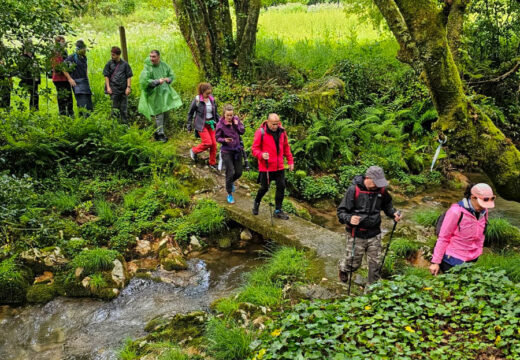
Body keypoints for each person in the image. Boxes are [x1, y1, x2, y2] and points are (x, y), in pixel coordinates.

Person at [337, 166, 401, 285]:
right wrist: (349, 218)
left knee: (375, 264)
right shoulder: (353, 190)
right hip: (356, 234)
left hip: (374, 234)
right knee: (353, 263)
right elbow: (341, 212)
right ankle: (343, 269)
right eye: (376, 183)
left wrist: (393, 213)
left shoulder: (381, 191)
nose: (378, 186)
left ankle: (372, 290)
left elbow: (387, 205)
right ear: (368, 178)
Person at [429, 183, 494, 276]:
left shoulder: (484, 211)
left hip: (472, 257)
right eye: (481, 204)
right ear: (473, 197)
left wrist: (478, 251)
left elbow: (481, 233)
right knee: (452, 288)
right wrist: (435, 262)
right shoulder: (456, 211)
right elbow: (443, 237)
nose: (483, 207)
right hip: (452, 259)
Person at [251, 113, 294, 220]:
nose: (275, 126)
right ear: (268, 122)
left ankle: (278, 210)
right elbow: (254, 149)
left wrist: (290, 161)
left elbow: (286, 147)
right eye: (273, 124)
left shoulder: (282, 132)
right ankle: (256, 202)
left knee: (281, 186)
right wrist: (261, 155)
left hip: (279, 166)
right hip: (266, 167)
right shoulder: (261, 132)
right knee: (264, 188)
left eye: (277, 124)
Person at [138, 50, 182, 142]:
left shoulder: (164, 65)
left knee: (165, 112)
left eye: (153, 56)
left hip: (165, 93)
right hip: (154, 94)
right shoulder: (148, 67)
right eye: (150, 56)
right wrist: (157, 81)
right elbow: (144, 81)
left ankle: (159, 132)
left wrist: (168, 79)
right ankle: (160, 134)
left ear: (158, 57)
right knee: (159, 113)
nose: (151, 58)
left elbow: (171, 75)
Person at [216, 104, 245, 204]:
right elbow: (217, 138)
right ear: (224, 114)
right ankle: (229, 194)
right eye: (228, 115)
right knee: (230, 172)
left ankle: (230, 182)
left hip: (237, 150)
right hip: (226, 151)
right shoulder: (220, 124)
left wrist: (237, 125)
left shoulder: (236, 120)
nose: (230, 117)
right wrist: (224, 140)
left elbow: (242, 131)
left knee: (239, 172)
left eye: (231, 115)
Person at [187, 82, 219, 169]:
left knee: (214, 144)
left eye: (210, 93)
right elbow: (190, 113)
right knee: (208, 142)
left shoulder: (212, 100)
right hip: (201, 125)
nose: (209, 95)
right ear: (202, 92)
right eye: (207, 93)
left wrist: (220, 124)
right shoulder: (197, 100)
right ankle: (194, 150)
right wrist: (189, 125)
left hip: (211, 124)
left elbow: (216, 113)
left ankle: (212, 163)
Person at [103, 46, 133, 123]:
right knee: (114, 108)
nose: (112, 56)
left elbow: (129, 76)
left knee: (124, 108)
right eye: (111, 54)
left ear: (118, 55)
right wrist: (108, 87)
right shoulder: (109, 64)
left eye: (113, 54)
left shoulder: (125, 64)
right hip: (113, 89)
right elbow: (106, 76)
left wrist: (128, 87)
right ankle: (114, 125)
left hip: (123, 90)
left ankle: (125, 124)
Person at [64, 40, 93, 116]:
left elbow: (85, 67)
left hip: (85, 81)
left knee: (88, 102)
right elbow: (63, 67)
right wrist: (70, 79)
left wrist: (87, 77)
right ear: (79, 49)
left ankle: (89, 119)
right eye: (84, 49)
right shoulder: (72, 57)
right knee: (82, 102)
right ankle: (82, 119)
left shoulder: (84, 57)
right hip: (76, 82)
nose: (85, 51)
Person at [51, 36, 73, 116]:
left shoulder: (64, 51)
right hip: (59, 78)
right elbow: (61, 66)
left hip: (65, 78)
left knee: (69, 96)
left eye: (64, 41)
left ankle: (70, 114)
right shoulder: (56, 53)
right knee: (62, 97)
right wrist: (69, 78)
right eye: (62, 42)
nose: (64, 43)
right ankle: (63, 114)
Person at [18, 42, 41, 110]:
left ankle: (35, 108)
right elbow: (23, 69)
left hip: (35, 78)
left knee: (35, 94)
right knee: (33, 94)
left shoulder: (33, 56)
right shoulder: (23, 57)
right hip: (29, 78)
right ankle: (33, 108)